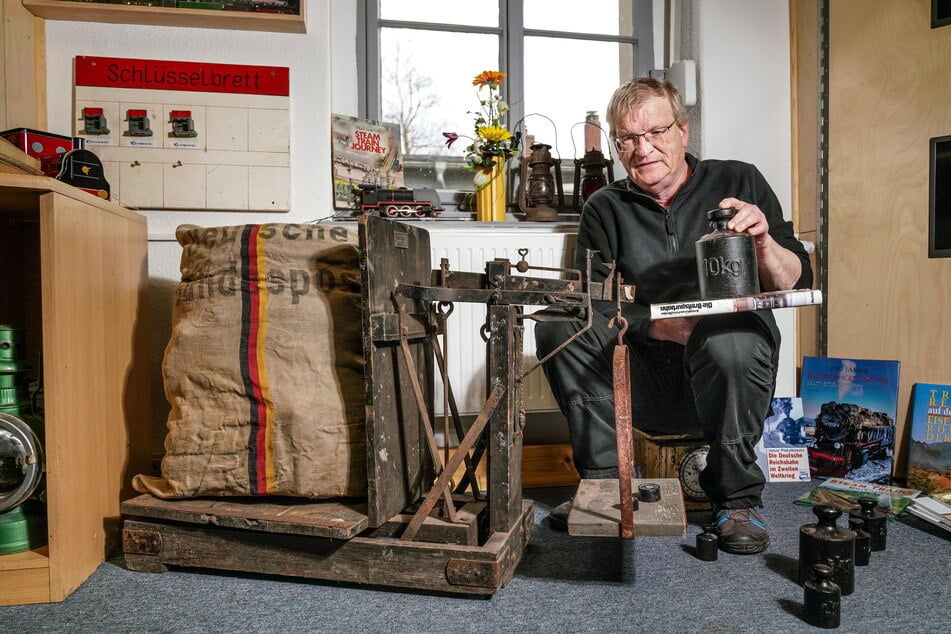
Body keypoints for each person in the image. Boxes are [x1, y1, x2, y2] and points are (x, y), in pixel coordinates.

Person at [534, 77, 813, 555]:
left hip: (730, 372)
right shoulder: (604, 206)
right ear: (618, 147)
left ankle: (737, 501)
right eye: (628, 139)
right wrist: (657, 325)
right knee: (561, 326)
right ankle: (607, 486)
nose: (643, 149)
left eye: (656, 133)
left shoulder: (738, 179)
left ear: (683, 131)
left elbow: (795, 281)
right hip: (643, 377)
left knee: (729, 339)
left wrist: (764, 242)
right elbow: (593, 305)